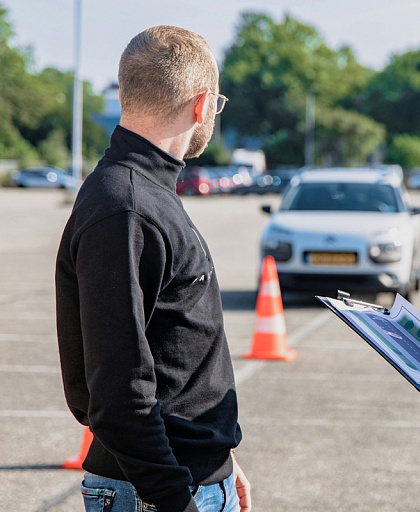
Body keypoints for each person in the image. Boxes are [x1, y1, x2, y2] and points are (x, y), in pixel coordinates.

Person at [55, 26, 250, 512]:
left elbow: (172, 354)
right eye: (218, 106)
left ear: (126, 93)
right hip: (155, 494)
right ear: (203, 105)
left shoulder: (144, 193)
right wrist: (177, 499)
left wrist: (218, 456)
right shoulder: (126, 208)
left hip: (188, 475)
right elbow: (118, 394)